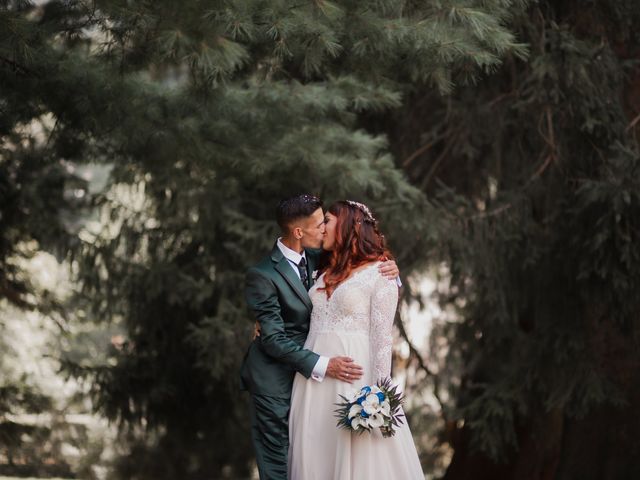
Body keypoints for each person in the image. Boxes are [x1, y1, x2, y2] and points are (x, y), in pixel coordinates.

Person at [239, 194, 400, 480]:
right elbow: (273, 338)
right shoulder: (262, 275)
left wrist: (392, 272)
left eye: (327, 221)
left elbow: (362, 266)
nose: (325, 229)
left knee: (319, 451)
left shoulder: (321, 258)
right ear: (299, 232)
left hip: (315, 378)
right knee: (278, 460)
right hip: (275, 375)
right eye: (320, 224)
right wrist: (325, 365)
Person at [288, 200, 424, 479]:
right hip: (312, 381)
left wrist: (378, 396)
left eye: (327, 220)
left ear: (348, 223)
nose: (321, 227)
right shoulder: (320, 271)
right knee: (314, 454)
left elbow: (383, 338)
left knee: (359, 460)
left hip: (354, 381)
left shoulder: (381, 273)